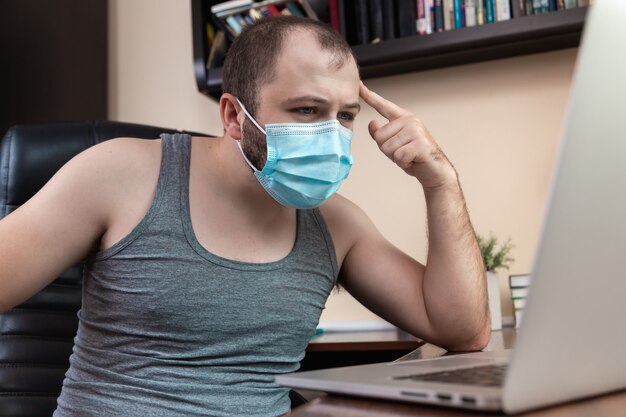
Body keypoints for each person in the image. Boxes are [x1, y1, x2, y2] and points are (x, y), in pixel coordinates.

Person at [0, 16, 489, 417]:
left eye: (344, 116)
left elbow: (463, 332)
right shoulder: (118, 174)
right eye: (305, 110)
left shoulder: (338, 226)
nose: (330, 134)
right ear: (234, 116)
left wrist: (439, 182)